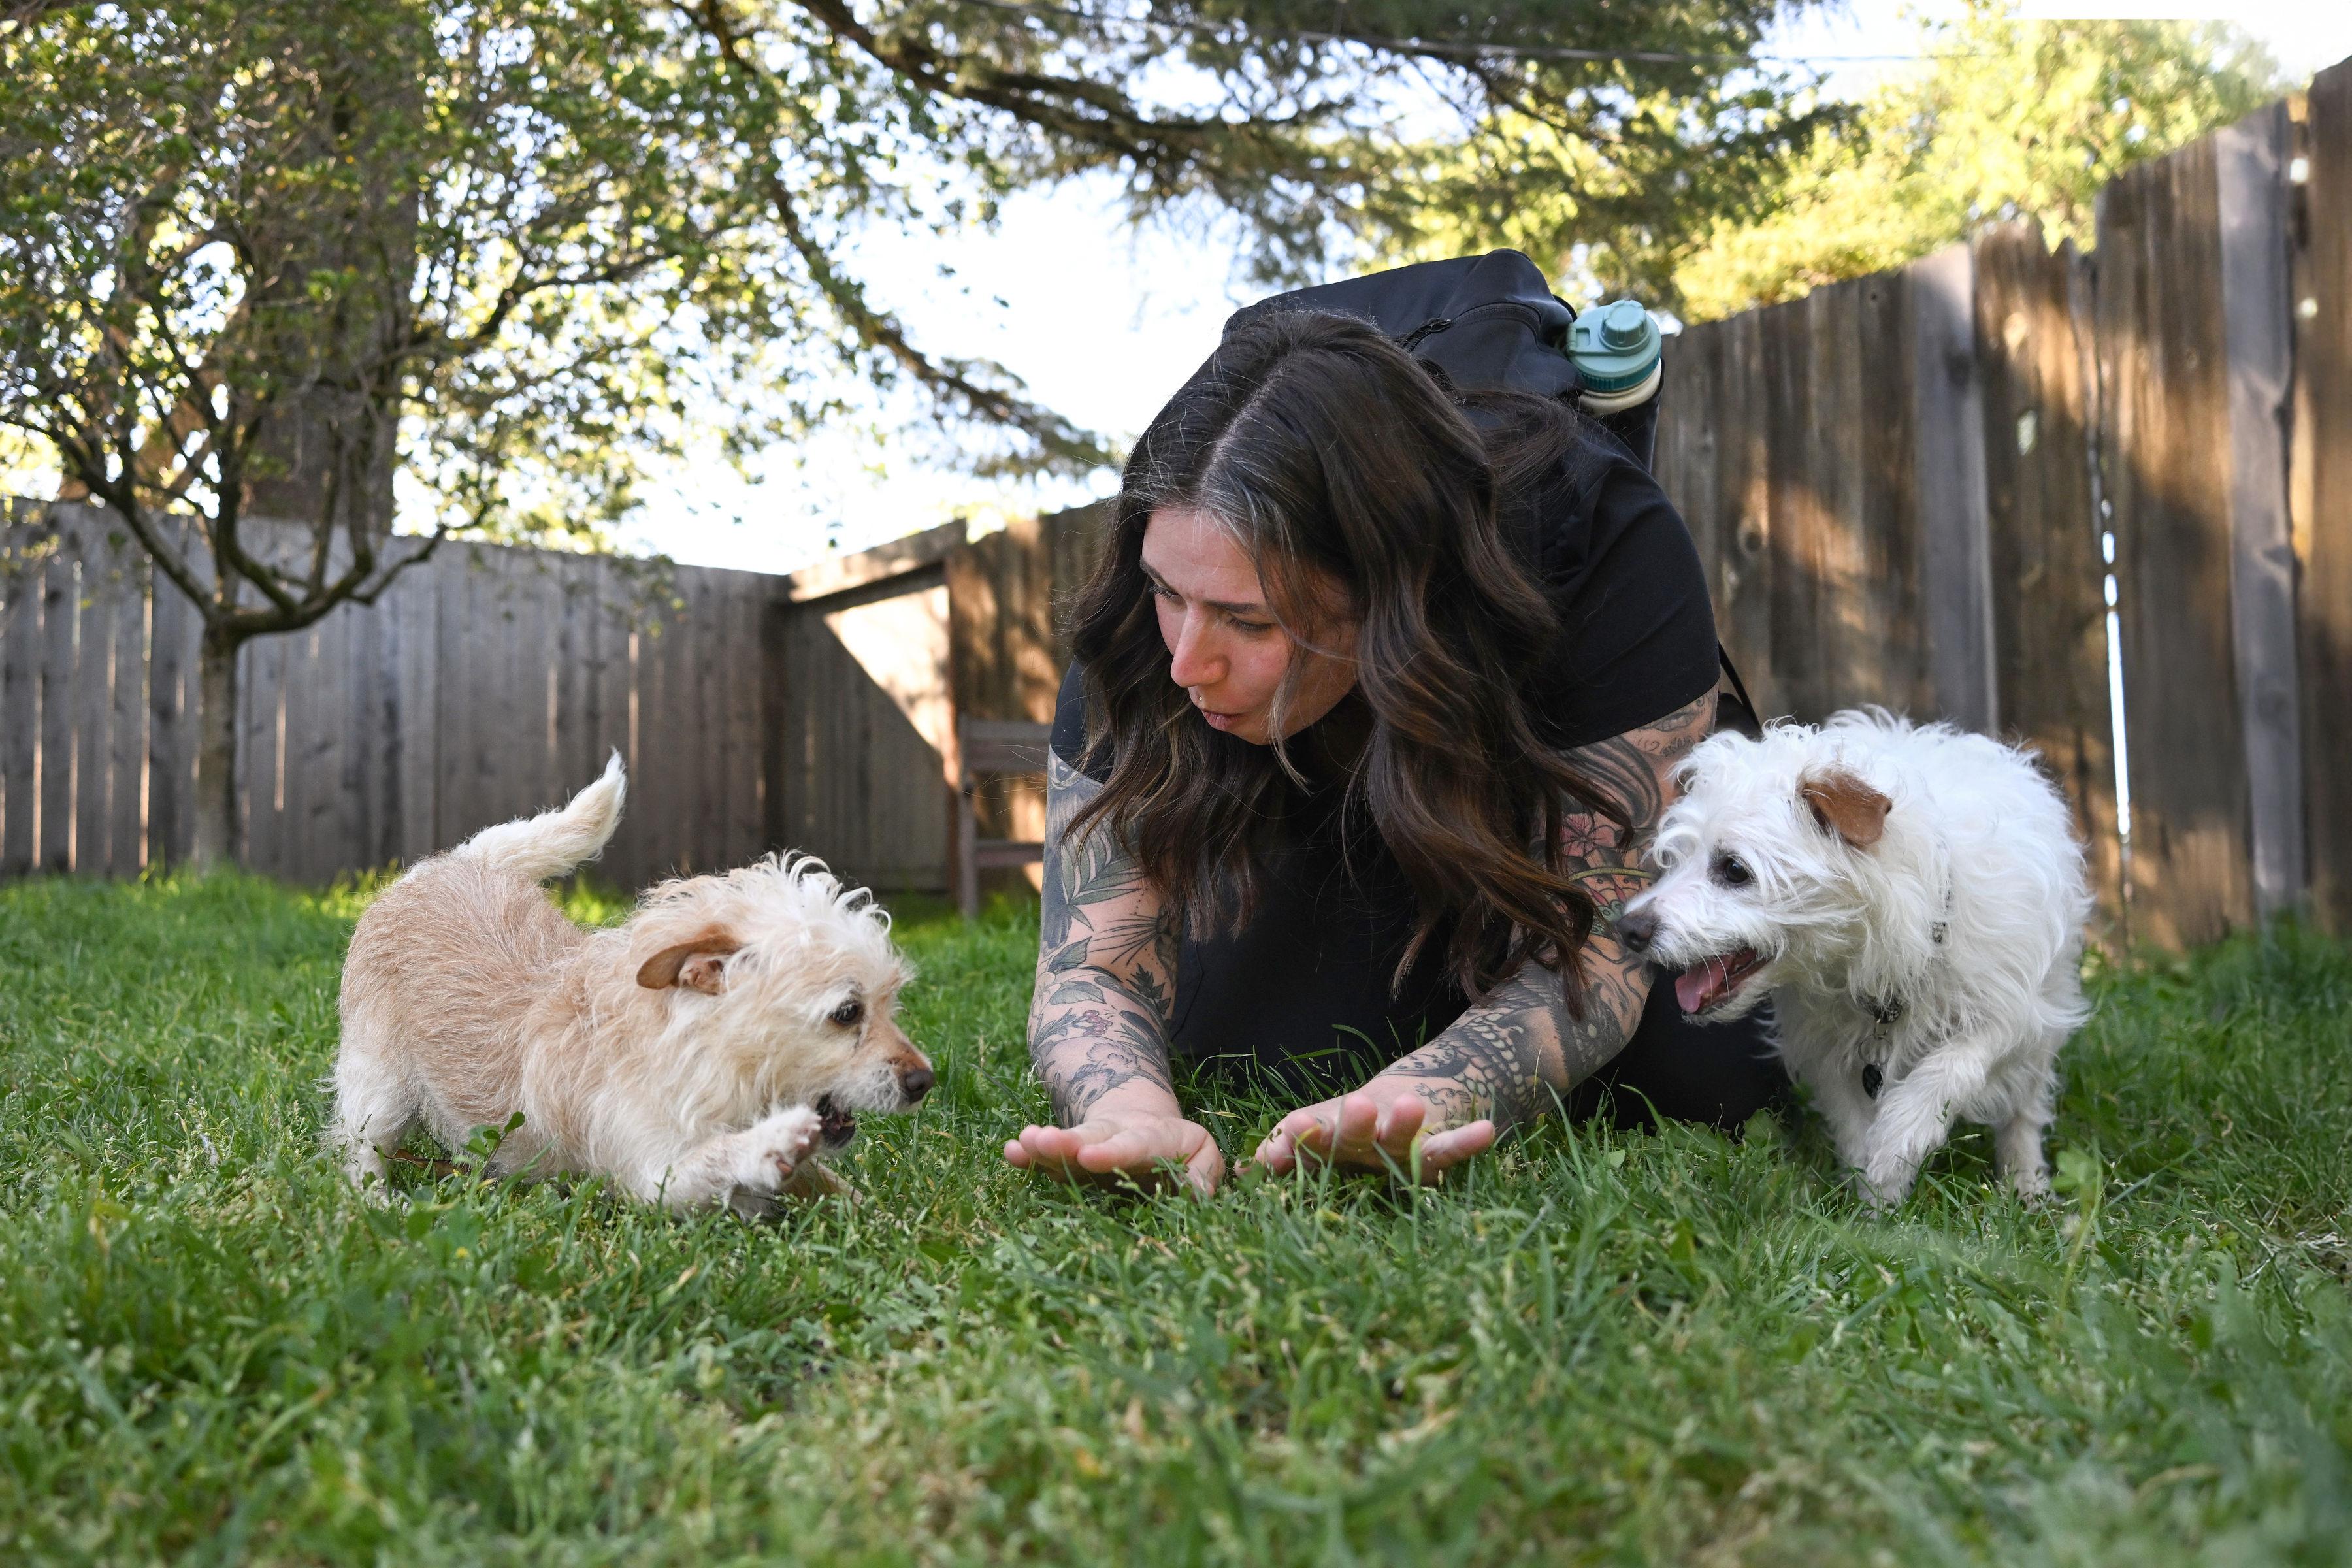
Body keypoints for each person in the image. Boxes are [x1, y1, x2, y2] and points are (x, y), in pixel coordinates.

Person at [1000, 309, 1786, 1195]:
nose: (1188, 662)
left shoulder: (1602, 544)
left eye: (1249, 621)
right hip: (1325, 798)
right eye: (1167, 591)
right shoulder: (1145, 637)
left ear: (1390, 597)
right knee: (1262, 1041)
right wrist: (1128, 1113)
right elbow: (1091, 961)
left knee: (1702, 1071)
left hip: (1511, 802)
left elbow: (1603, 945)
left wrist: (1422, 1100)